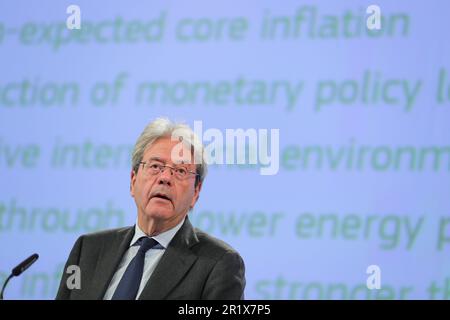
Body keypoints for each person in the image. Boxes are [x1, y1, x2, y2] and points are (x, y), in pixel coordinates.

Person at [56, 118, 246, 300]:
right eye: (155, 166)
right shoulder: (87, 250)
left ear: (196, 192)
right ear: (133, 180)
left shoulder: (219, 264)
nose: (165, 177)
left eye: (180, 171)